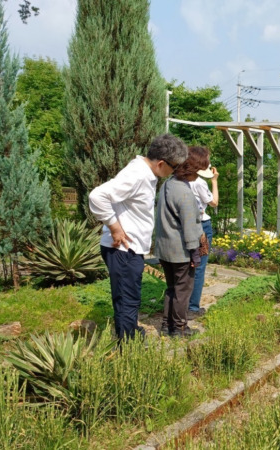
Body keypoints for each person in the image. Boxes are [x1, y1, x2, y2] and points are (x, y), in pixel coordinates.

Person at [89, 134, 188, 340]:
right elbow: (97, 196)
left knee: (127, 295)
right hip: (122, 248)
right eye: (174, 167)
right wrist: (115, 227)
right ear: (161, 163)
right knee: (128, 299)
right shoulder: (138, 175)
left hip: (128, 249)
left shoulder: (145, 173)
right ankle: (128, 346)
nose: (175, 172)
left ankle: (130, 331)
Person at [155, 148, 208, 337]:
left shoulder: (167, 184)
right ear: (189, 169)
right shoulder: (184, 192)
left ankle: (166, 325)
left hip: (164, 248)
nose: (199, 175)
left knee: (171, 287)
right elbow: (188, 225)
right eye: (198, 170)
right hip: (180, 251)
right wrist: (195, 252)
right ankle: (179, 328)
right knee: (183, 290)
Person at [187, 147, 219, 318]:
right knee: (199, 265)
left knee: (184, 266)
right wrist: (214, 181)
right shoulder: (199, 182)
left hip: (185, 225)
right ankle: (193, 307)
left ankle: (181, 304)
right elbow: (213, 202)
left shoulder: (178, 180)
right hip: (202, 227)